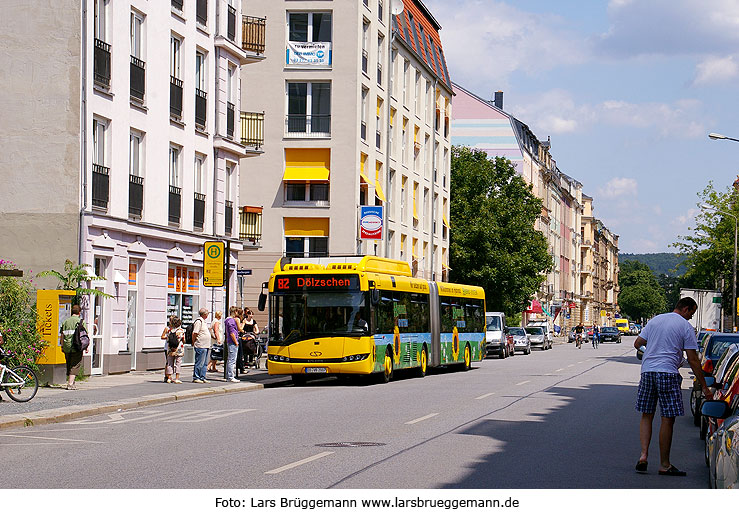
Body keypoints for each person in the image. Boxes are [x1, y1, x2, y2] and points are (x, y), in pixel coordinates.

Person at [633, 297, 712, 476]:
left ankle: (643, 455)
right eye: (691, 313)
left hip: (647, 372)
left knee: (647, 414)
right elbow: (692, 359)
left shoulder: (656, 320)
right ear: (685, 309)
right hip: (668, 373)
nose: (691, 317)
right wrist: (704, 387)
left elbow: (637, 343)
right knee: (667, 418)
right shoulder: (685, 327)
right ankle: (664, 464)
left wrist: (652, 349)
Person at [59, 304, 86, 390]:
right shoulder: (81, 322)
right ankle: (70, 384)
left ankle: (72, 382)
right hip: (76, 346)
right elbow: (84, 336)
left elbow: (62, 335)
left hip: (67, 346)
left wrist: (62, 345)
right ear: (79, 312)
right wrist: (86, 347)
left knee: (69, 363)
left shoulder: (66, 321)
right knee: (75, 364)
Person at [162, 316, 185, 384]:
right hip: (179, 349)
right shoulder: (181, 331)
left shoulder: (169, 330)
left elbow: (167, 338)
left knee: (169, 363)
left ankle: (169, 378)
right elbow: (183, 340)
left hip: (170, 349)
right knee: (178, 363)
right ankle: (177, 378)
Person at [192, 308, 211, 383]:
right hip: (200, 345)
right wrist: (194, 342)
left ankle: (202, 377)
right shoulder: (199, 321)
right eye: (207, 313)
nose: (208, 315)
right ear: (204, 314)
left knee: (204, 363)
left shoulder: (204, 322)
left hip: (206, 345)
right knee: (199, 362)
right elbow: (195, 333)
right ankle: (196, 377)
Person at [224, 306, 241, 382]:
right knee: (232, 360)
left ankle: (229, 376)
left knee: (230, 360)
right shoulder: (231, 321)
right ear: (235, 312)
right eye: (237, 312)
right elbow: (232, 333)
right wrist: (236, 342)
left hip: (230, 342)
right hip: (232, 342)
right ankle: (231, 376)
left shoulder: (228, 320)